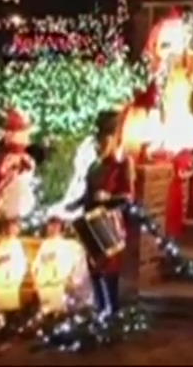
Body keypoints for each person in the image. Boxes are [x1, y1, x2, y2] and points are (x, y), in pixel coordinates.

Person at [79, 110, 133, 315]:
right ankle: (100, 307)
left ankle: (113, 309)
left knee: (110, 268)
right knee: (94, 266)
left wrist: (109, 198)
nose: (100, 146)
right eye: (99, 142)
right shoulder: (94, 167)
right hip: (91, 218)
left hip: (109, 221)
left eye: (105, 141)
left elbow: (127, 196)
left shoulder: (121, 166)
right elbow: (86, 194)